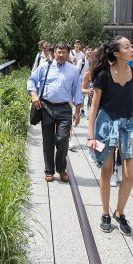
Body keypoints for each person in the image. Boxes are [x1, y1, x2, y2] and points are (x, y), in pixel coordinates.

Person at [87, 36, 133, 235]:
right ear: (116, 53)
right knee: (106, 170)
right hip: (106, 125)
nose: (131, 48)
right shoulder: (104, 75)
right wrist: (90, 136)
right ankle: (105, 212)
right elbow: (94, 107)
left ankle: (119, 212)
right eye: (127, 47)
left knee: (129, 174)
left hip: (128, 126)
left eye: (131, 46)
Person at [27, 43, 83, 183]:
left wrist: (77, 112)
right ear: (54, 53)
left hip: (64, 108)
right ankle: (49, 171)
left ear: (68, 53)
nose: (61, 55)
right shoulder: (45, 67)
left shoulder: (73, 71)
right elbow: (31, 80)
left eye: (64, 52)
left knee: (63, 139)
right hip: (46, 107)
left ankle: (61, 169)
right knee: (48, 141)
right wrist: (33, 95)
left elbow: (77, 92)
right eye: (59, 52)